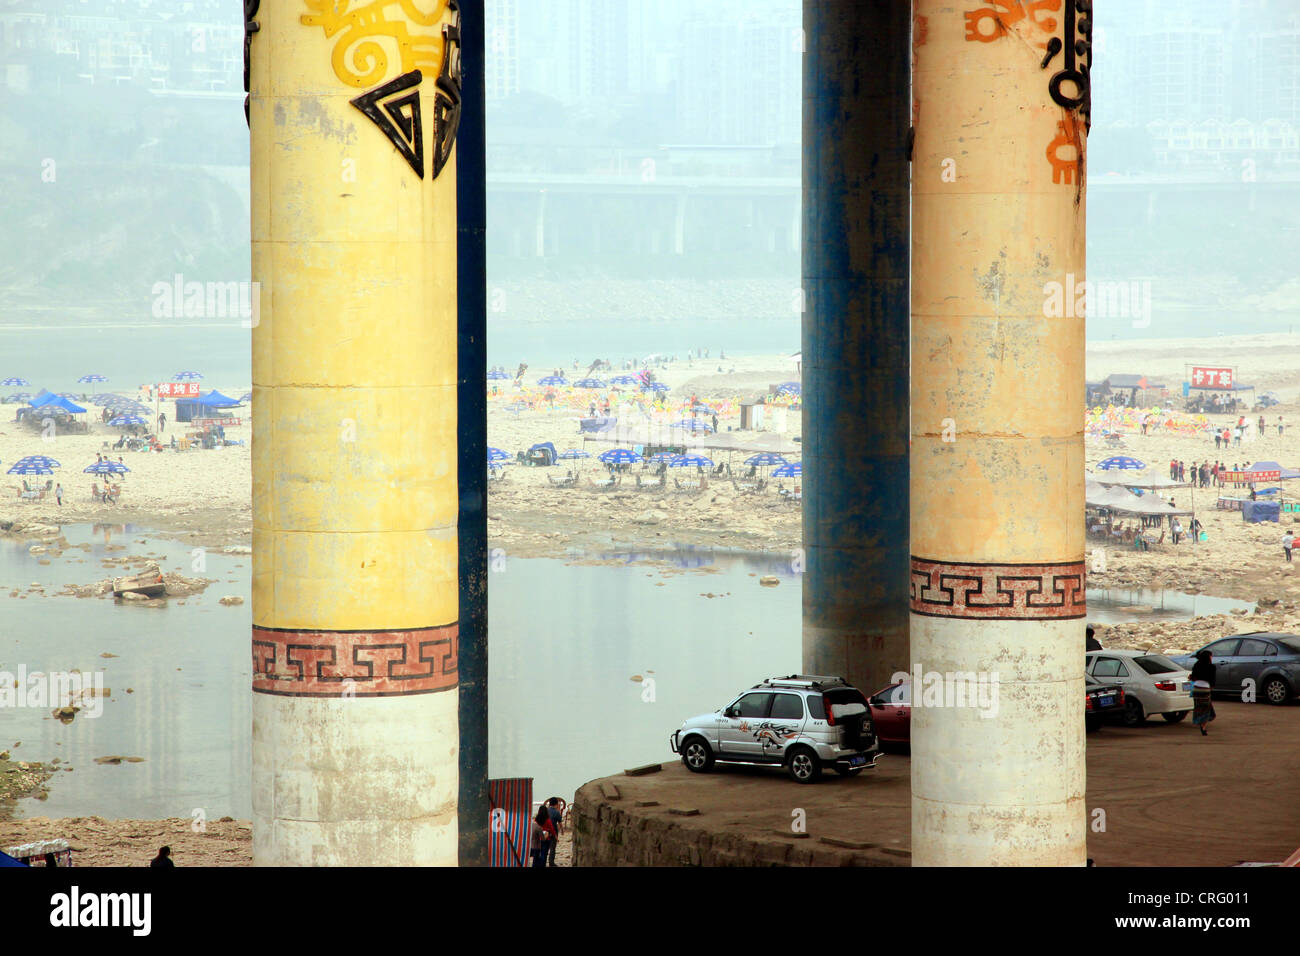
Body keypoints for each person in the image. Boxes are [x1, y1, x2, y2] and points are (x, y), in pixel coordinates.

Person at [1189, 651, 1217, 736]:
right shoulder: (1211, 667)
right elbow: (1212, 680)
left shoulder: (1196, 665)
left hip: (1196, 688)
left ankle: (1198, 721)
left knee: (1198, 707)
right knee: (1206, 708)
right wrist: (1211, 688)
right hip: (1205, 688)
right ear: (1209, 657)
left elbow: (1193, 677)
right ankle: (1203, 726)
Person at [545, 797, 564, 866]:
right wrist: (562, 830)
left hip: (544, 831)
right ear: (556, 804)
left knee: (545, 847)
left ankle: (543, 861)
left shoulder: (545, 810)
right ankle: (551, 862)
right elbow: (560, 823)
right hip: (553, 832)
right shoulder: (556, 812)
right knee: (552, 848)